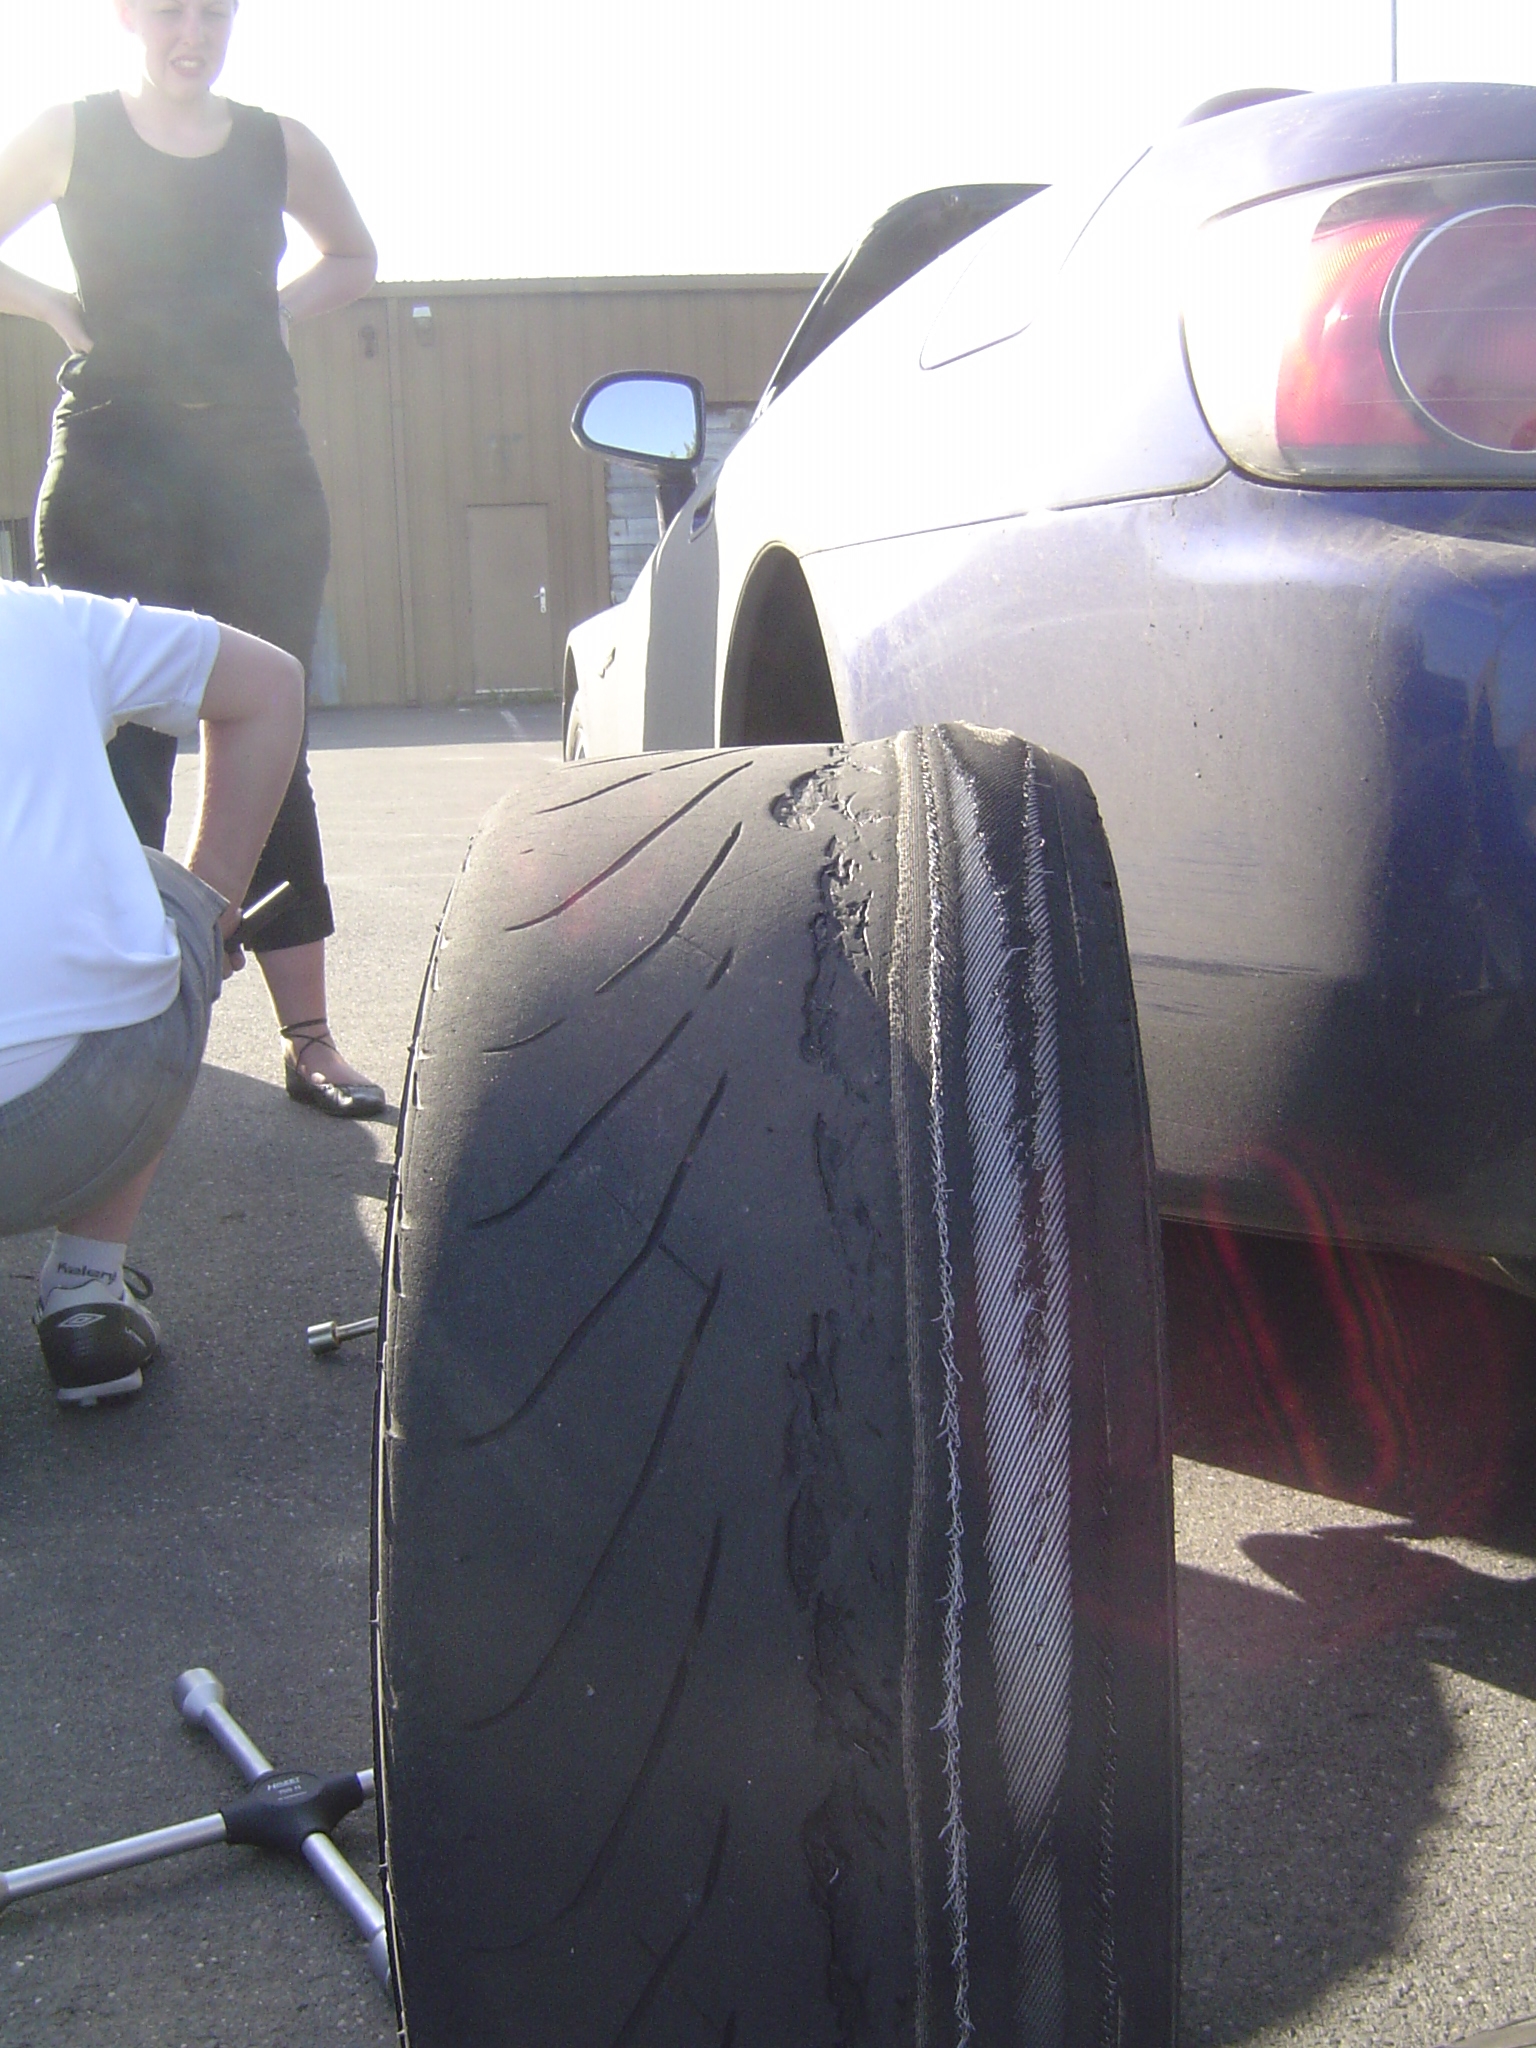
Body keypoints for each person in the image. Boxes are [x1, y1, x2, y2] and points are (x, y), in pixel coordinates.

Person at [0, 0, 384, 1118]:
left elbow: (355, 256)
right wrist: (53, 307)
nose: (193, 31)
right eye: (170, 8)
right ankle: (98, 1036)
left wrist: (274, 310)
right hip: (113, 463)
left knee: (271, 734)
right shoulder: (70, 132)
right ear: (127, 16)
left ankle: (309, 1038)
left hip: (257, 468)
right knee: (114, 741)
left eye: (214, 11)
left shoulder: (278, 144)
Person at [0, 577, 305, 1405]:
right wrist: (213, 910)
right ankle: (88, 1292)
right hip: (88, 1101)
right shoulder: (41, 619)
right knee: (152, 891)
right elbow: (271, 683)